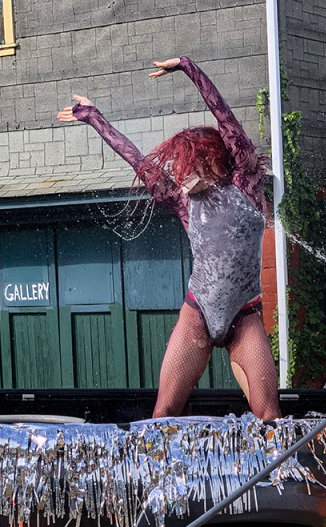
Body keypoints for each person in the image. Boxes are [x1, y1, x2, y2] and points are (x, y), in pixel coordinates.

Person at [57, 56, 281, 421]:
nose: (183, 173)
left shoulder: (246, 182)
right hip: (197, 314)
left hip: (244, 314)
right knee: (164, 412)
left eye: (190, 164)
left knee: (269, 414)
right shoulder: (181, 201)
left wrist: (187, 67)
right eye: (180, 167)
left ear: (214, 159)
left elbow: (226, 118)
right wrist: (94, 117)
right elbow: (135, 159)